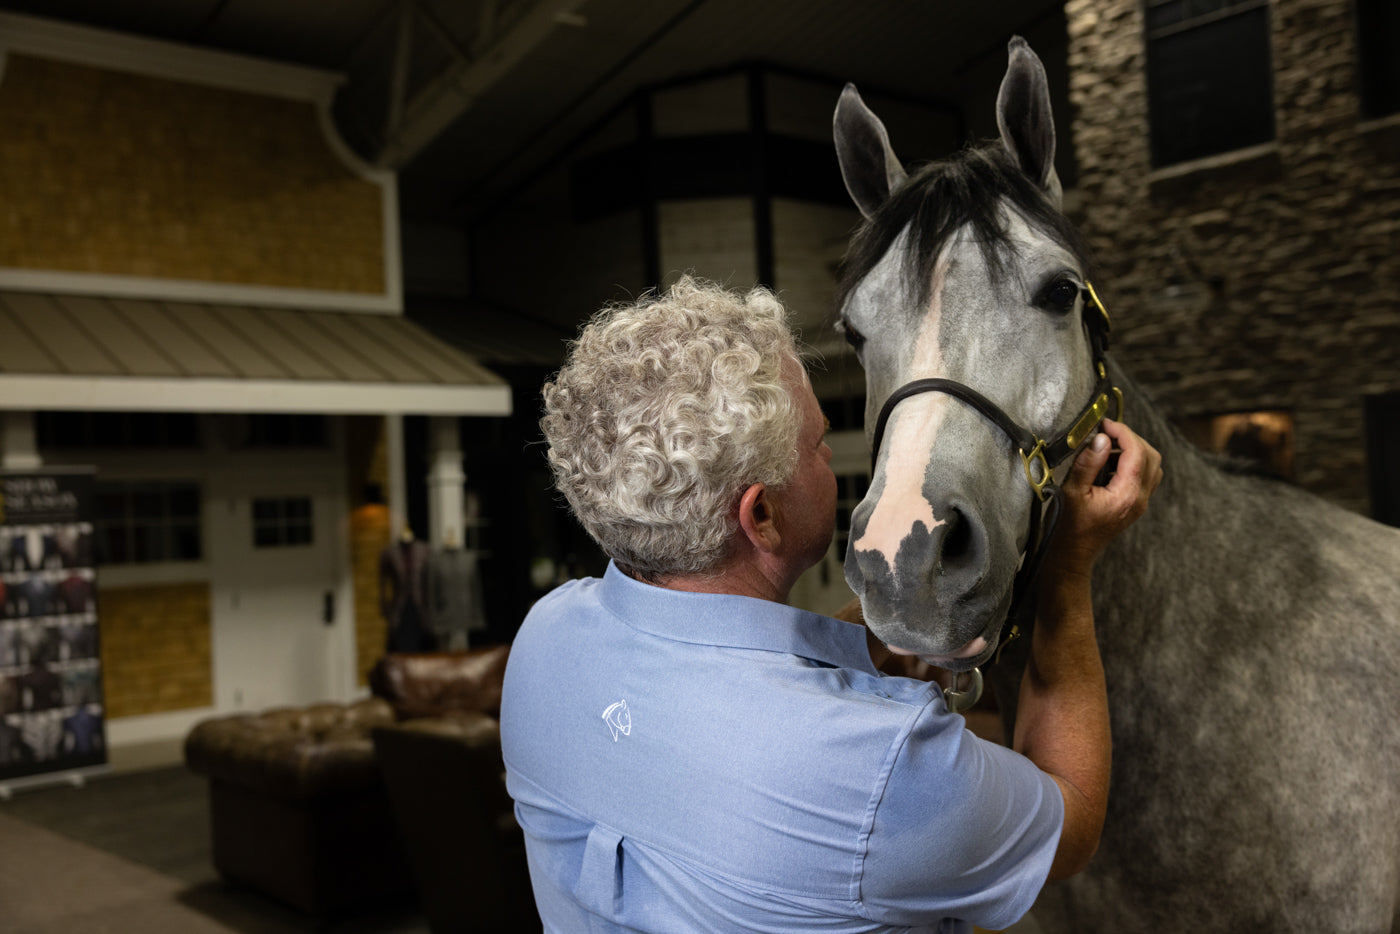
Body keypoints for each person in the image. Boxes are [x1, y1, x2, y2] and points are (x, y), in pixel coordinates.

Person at [501, 276, 1162, 933]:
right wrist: (1069, 570)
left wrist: (866, 647)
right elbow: (1069, 820)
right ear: (761, 516)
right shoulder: (879, 765)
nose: (840, 465)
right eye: (821, 445)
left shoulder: (546, 640)